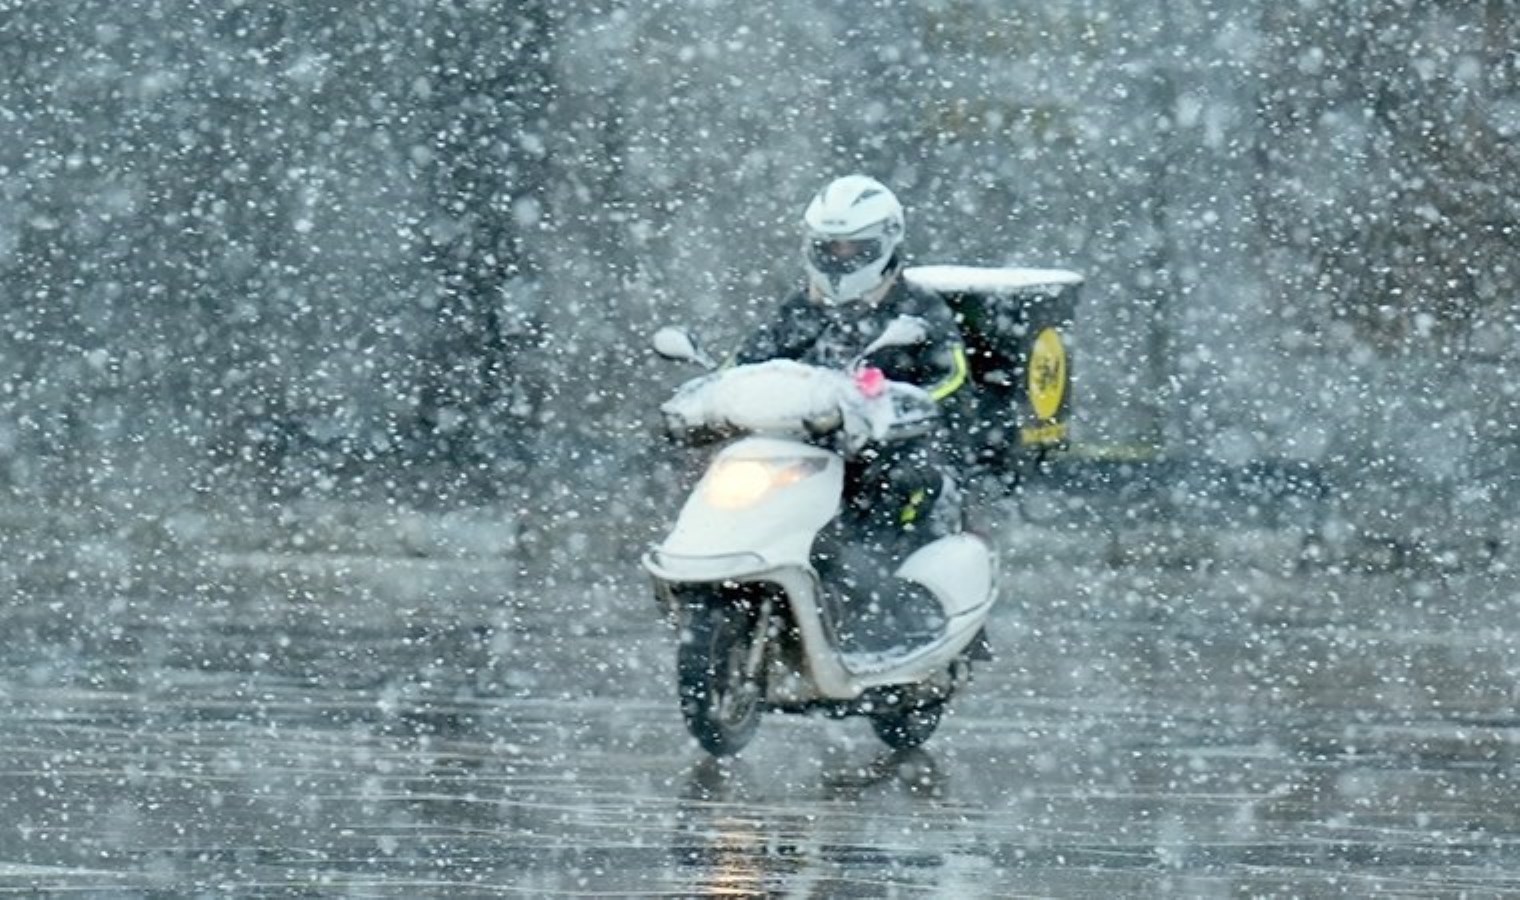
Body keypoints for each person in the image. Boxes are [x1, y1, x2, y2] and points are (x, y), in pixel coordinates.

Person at [732, 174, 970, 654]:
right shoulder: (800, 309)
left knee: (894, 497)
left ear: (885, 243)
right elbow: (746, 365)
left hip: (892, 450)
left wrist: (898, 407)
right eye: (829, 248)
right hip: (805, 450)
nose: (840, 259)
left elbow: (951, 377)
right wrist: (715, 394)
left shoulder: (916, 310)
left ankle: (899, 620)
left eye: (853, 248)